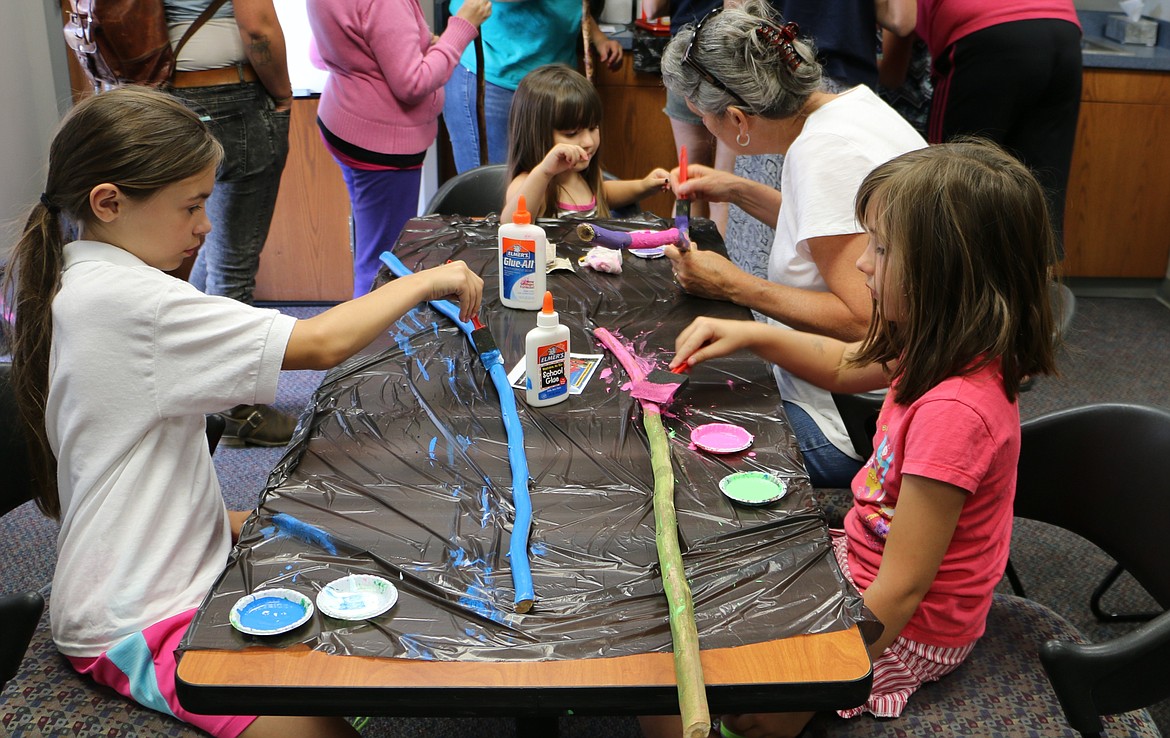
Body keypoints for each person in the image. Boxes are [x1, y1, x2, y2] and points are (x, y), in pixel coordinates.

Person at [4, 87, 482, 738]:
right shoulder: (133, 301)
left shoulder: (80, 272)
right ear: (109, 203)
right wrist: (430, 278)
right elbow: (318, 342)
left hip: (159, 554)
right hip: (134, 616)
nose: (205, 224)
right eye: (193, 206)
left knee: (352, 568)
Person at [646, 140, 1060, 738]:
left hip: (910, 626)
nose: (862, 263)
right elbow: (845, 366)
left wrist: (815, 672)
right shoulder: (933, 342)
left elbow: (903, 589)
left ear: (945, 275)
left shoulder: (957, 412)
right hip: (861, 562)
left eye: (883, 248)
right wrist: (750, 337)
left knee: (749, 705)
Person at [658, 0, 925, 488]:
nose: (706, 128)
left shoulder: (822, 153)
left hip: (855, 416)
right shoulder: (850, 106)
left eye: (705, 118)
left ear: (738, 121)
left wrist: (738, 286)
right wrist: (737, 189)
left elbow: (864, 319)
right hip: (886, 381)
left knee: (669, 433)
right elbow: (833, 234)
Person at [164, 0, 299, 447]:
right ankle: (238, 407)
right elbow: (258, 28)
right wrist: (282, 94)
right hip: (228, 98)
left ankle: (188, 380)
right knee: (233, 262)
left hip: (153, 96)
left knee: (180, 253)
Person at [306, 0, 493, 299]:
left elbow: (322, 52)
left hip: (344, 122)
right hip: (381, 144)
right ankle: (371, 341)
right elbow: (413, 83)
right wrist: (462, 27)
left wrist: (413, 44)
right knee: (385, 261)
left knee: (372, 245)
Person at [882, 0, 1082, 254]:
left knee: (949, 175)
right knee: (1041, 181)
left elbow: (893, 66)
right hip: (1063, 29)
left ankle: (951, 285)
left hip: (984, 34)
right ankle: (1037, 287)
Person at [442, 0, 623, 175]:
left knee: (554, 187)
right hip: (493, 76)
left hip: (553, 84)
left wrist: (598, 38)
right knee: (491, 190)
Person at [501, 64, 670, 221]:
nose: (588, 142)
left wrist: (644, 185)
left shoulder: (583, 175)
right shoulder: (529, 183)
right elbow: (510, 224)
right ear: (535, 135)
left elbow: (604, 194)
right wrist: (544, 172)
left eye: (593, 128)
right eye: (571, 133)